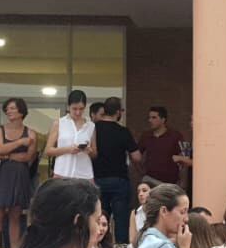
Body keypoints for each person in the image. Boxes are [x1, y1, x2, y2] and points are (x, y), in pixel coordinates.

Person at [0, 97, 38, 248]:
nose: (9, 111)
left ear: (21, 111)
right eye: (7, 108)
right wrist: (20, 143)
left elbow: (28, 157)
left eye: (12, 108)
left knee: (16, 215)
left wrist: (9, 155)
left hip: (20, 175)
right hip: (2, 174)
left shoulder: (31, 133)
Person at [92, 96, 140, 231]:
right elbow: (137, 157)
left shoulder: (93, 129)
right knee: (121, 221)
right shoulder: (123, 131)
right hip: (119, 180)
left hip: (97, 179)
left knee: (99, 218)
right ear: (118, 112)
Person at [47, 89, 97, 181]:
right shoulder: (59, 123)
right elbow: (48, 150)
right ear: (68, 106)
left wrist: (88, 150)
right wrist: (68, 149)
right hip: (62, 172)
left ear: (85, 107)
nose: (78, 112)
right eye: (74, 109)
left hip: (84, 174)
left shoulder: (91, 126)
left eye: (81, 109)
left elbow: (94, 154)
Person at [137, 105, 188, 186]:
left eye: (154, 118)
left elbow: (184, 160)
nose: (150, 120)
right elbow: (136, 156)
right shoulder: (146, 136)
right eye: (149, 117)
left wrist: (182, 181)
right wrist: (141, 173)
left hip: (170, 182)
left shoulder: (175, 136)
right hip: (149, 180)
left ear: (163, 119)